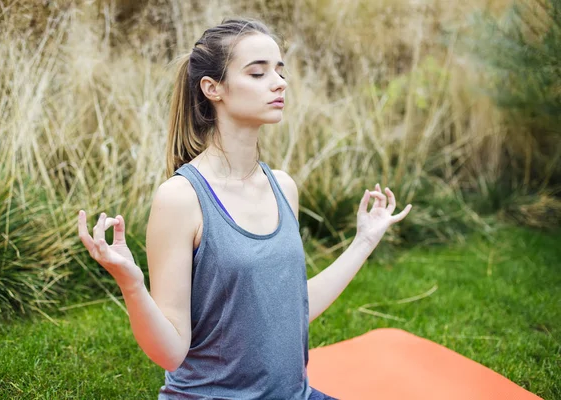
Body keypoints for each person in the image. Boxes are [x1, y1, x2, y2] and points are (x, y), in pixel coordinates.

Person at [77, 18, 412, 400]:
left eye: (280, 70)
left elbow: (290, 311)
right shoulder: (181, 198)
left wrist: (364, 241)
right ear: (213, 88)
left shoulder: (283, 187)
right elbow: (170, 353)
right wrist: (132, 284)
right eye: (258, 72)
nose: (279, 82)